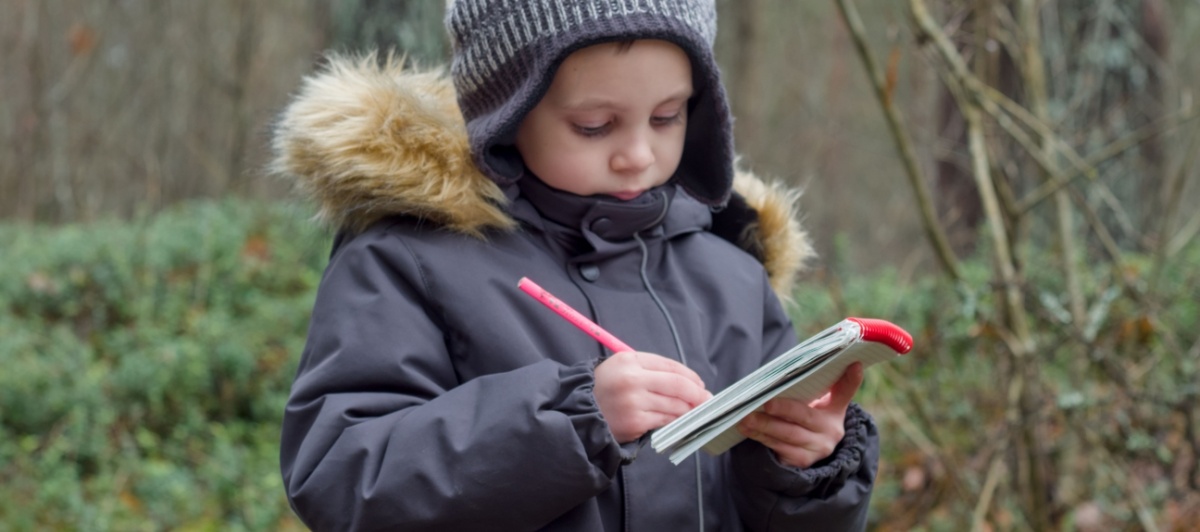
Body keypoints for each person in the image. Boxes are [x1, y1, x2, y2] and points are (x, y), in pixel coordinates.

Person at [274, 1, 879, 530]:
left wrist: (810, 467)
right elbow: (342, 478)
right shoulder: (410, 258)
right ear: (507, 111)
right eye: (594, 126)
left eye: (668, 116)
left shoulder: (733, 278)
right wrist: (570, 419)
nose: (639, 154)